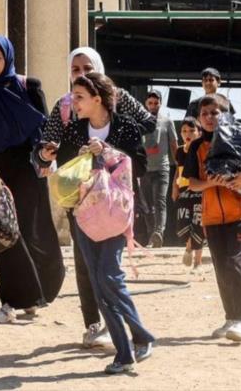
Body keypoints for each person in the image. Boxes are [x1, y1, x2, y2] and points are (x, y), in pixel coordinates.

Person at [36, 72, 155, 375]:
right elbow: (61, 168)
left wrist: (107, 153)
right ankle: (134, 342)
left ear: (97, 99)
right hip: (83, 213)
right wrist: (51, 155)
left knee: (109, 277)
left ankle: (130, 348)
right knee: (98, 281)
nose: (72, 103)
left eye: (79, 97)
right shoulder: (74, 129)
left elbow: (139, 164)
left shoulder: (125, 126)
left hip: (115, 213)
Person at [0, 35, 65, 324]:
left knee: (32, 230)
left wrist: (48, 159)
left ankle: (37, 293)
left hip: (28, 169)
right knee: (3, 233)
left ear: (8, 57)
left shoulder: (29, 87)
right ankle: (11, 300)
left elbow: (48, 128)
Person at [184, 95, 241, 343]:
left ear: (226, 114)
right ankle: (230, 317)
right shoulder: (196, 148)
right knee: (222, 269)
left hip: (238, 213)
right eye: (205, 114)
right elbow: (193, 183)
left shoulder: (240, 137)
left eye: (215, 112)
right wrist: (211, 181)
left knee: (234, 264)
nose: (210, 118)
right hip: (211, 218)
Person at [141, 90, 178, 248]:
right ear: (145, 104)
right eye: (150, 103)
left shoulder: (167, 122)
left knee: (160, 201)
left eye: (156, 103)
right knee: (147, 205)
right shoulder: (140, 121)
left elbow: (174, 145)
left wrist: (179, 166)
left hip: (162, 168)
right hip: (144, 169)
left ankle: (158, 232)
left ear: (160, 104)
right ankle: (152, 236)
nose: (153, 106)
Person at [173, 117, 204, 268]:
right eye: (184, 130)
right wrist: (174, 187)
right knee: (182, 223)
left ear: (199, 132)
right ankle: (188, 246)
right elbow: (178, 172)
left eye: (192, 130)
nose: (188, 133)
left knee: (198, 225)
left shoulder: (201, 150)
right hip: (184, 192)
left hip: (199, 192)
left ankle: (197, 261)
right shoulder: (179, 151)